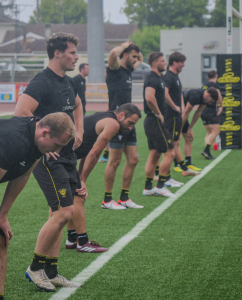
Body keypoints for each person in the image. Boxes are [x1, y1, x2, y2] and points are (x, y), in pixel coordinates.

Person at [14, 32, 94, 292]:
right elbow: (21, 112)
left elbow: (78, 105)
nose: (76, 57)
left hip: (68, 156)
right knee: (64, 213)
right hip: (51, 158)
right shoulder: (42, 81)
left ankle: (51, 270)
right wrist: (42, 145)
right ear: (57, 54)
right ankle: (35, 268)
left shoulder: (69, 82)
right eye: (72, 52)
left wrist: (79, 130)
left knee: (58, 214)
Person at [0, 113, 75, 300]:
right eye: (58, 145)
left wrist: (2, 215)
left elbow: (23, 175)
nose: (58, 151)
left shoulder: (37, 141)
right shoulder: (16, 140)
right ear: (45, 133)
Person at [65, 104, 142, 250]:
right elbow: (94, 154)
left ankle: (72, 239)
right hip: (60, 155)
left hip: (65, 156)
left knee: (72, 196)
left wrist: (81, 177)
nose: (131, 128)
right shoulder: (112, 124)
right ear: (121, 115)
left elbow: (87, 153)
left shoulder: (105, 116)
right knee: (78, 196)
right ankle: (82, 242)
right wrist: (83, 180)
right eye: (130, 123)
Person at [101, 41, 144, 210]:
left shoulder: (129, 70)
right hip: (117, 121)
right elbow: (112, 54)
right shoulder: (115, 70)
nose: (136, 60)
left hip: (129, 122)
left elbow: (141, 57)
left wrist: (135, 49)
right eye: (132, 56)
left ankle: (124, 198)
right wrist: (125, 45)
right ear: (124, 55)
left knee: (133, 160)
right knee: (115, 161)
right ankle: (107, 200)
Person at [142, 52, 180, 198]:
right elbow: (149, 97)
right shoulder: (153, 79)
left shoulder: (159, 78)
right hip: (155, 120)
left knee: (154, 154)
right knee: (170, 153)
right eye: (163, 61)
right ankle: (161, 186)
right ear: (154, 64)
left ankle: (148, 188)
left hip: (152, 121)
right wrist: (158, 113)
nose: (165, 63)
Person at [163, 51, 200, 178]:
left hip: (176, 115)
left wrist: (182, 106)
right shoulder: (168, 76)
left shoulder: (175, 76)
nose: (184, 65)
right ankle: (168, 175)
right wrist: (174, 106)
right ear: (174, 63)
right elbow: (164, 92)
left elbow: (179, 93)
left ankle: (182, 168)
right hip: (170, 116)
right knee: (171, 146)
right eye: (181, 62)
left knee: (174, 144)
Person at [200, 70, 223, 159]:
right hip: (210, 110)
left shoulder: (204, 85)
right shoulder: (215, 86)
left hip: (203, 110)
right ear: (216, 76)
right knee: (216, 131)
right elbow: (219, 96)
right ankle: (206, 150)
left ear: (208, 77)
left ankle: (207, 152)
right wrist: (221, 106)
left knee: (209, 132)